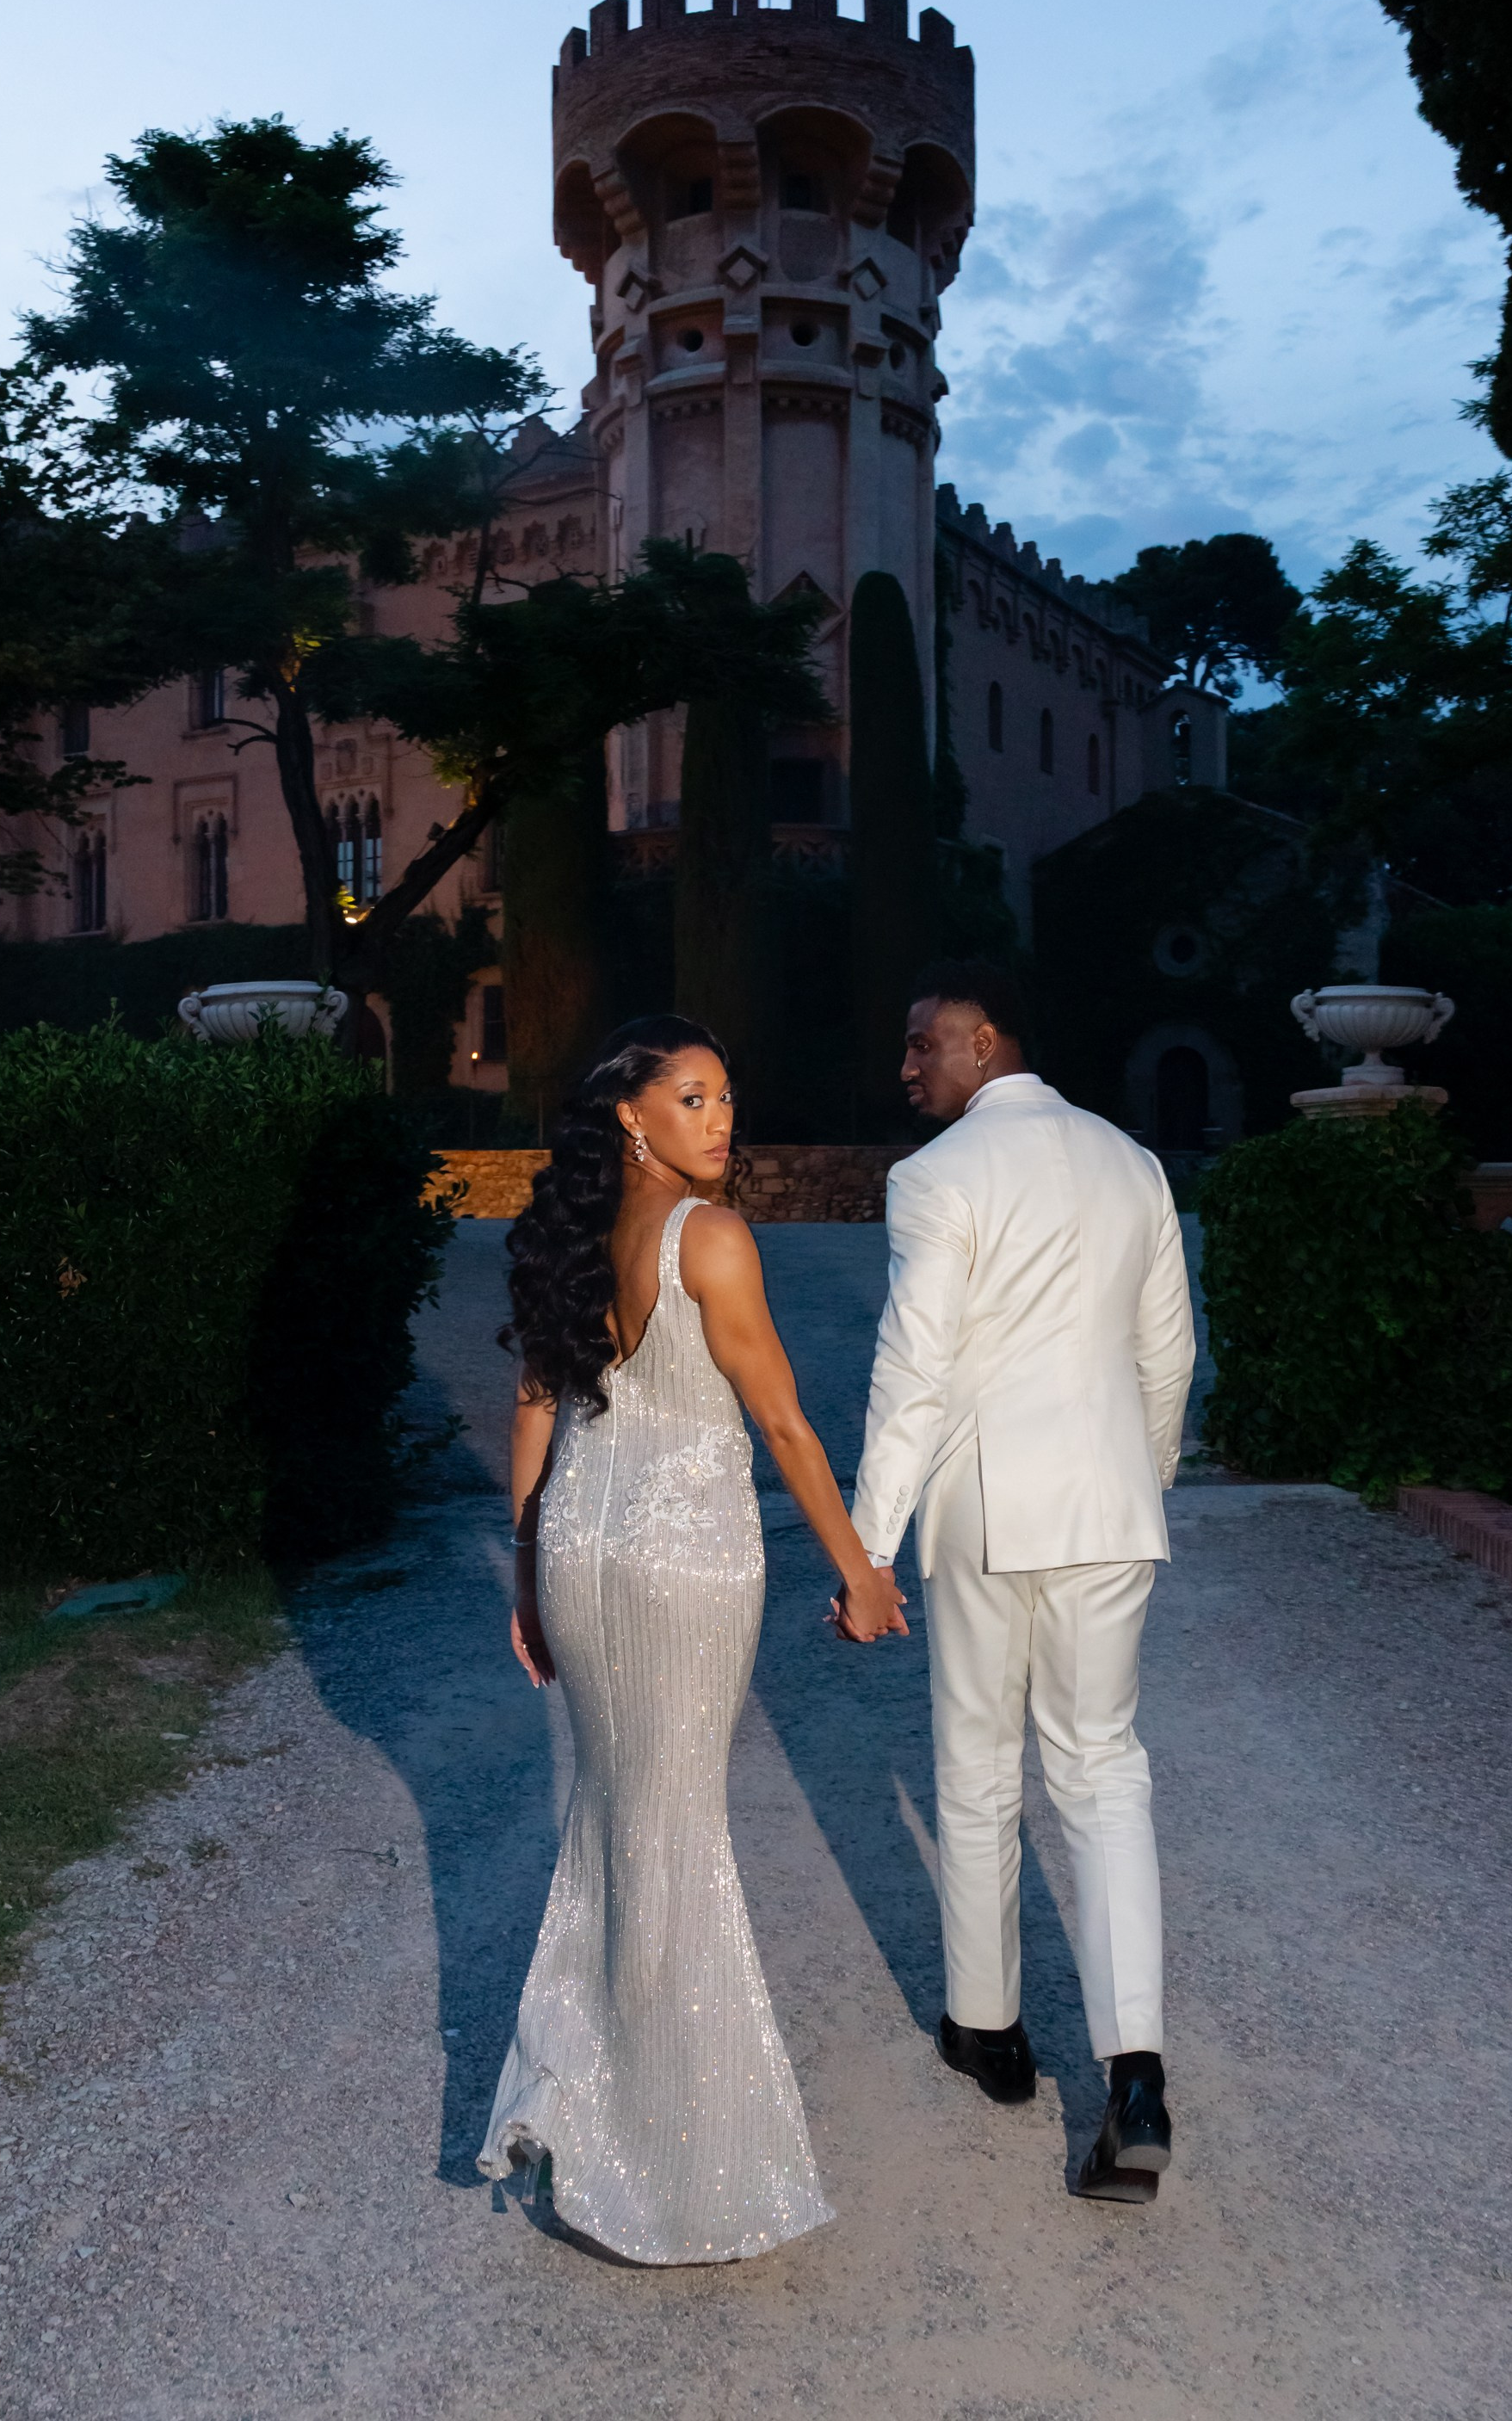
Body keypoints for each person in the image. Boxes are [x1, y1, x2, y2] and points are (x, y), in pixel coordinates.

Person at [479, 1014, 907, 2264]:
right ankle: (672, 2168)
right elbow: (781, 1425)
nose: (721, 1119)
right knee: (671, 1840)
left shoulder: (570, 1238)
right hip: (680, 1564)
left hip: (580, 1551)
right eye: (694, 1097)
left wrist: (525, 1576)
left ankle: (596, 2099)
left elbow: (531, 1414)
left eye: (726, 1096)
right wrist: (862, 1573)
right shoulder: (708, 1237)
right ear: (633, 1114)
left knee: (622, 1823)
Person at [851, 959, 1194, 2201]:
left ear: (985, 1041)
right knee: (1105, 1774)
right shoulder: (1130, 1161)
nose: (906, 1067)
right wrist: (1136, 1479)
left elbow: (915, 1369)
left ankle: (989, 2034)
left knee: (979, 1768)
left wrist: (866, 1543)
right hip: (1110, 1509)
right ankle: (1136, 2074)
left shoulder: (937, 1179)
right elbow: (1168, 1349)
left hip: (988, 1513)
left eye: (919, 1044)